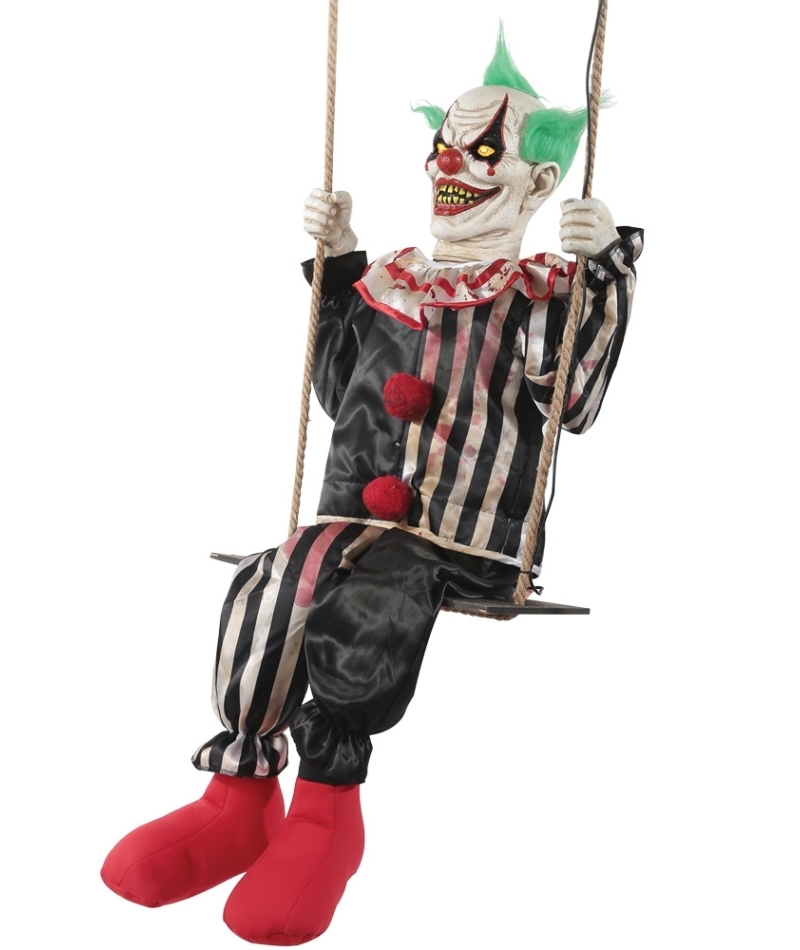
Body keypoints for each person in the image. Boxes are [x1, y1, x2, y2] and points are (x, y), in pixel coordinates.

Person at [101, 28, 642, 946]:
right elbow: (335, 387)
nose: (450, 166)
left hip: (461, 541)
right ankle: (238, 796)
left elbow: (574, 403)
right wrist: (342, 259)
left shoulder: (538, 291)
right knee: (277, 575)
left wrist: (600, 270)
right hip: (352, 517)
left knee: (376, 597)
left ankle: (326, 813)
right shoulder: (394, 282)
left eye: (483, 151)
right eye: (443, 145)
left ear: (538, 183)